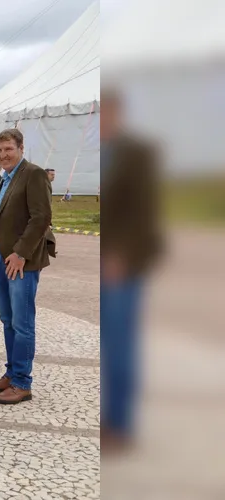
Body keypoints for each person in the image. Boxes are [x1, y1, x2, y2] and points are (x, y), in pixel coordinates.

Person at [98, 88, 162, 453]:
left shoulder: (138, 153)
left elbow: (147, 211)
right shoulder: (103, 152)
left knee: (122, 345)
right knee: (109, 343)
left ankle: (121, 425)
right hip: (104, 261)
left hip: (124, 265)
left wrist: (123, 254)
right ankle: (111, 418)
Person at [0, 128, 57, 405]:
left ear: (21, 148)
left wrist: (21, 253)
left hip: (21, 261)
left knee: (22, 323)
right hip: (2, 258)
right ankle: (12, 374)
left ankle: (23, 382)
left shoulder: (33, 174)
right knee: (8, 320)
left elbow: (41, 217)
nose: (3, 155)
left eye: (8, 149)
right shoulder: (6, 178)